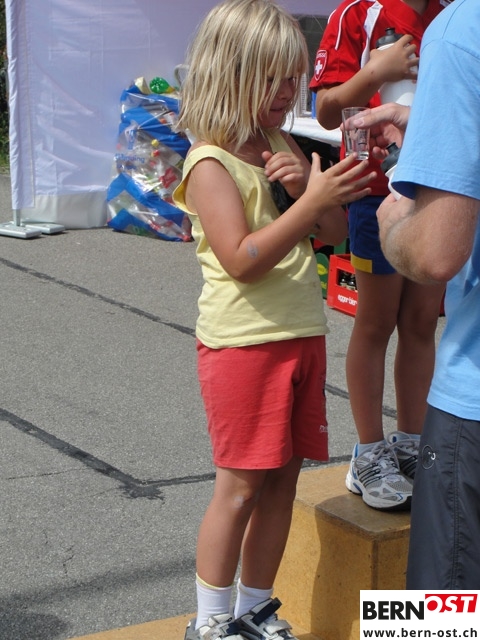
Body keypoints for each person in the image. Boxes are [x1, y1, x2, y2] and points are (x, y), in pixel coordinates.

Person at [172, 1, 375, 638]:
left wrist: (305, 194)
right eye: (273, 78)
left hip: (300, 336)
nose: (289, 91)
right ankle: (210, 620)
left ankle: (254, 606)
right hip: (244, 346)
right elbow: (241, 260)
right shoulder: (209, 161)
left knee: (283, 482)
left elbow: (333, 230)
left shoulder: (280, 143)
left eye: (293, 77)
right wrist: (306, 204)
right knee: (239, 488)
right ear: (229, 73)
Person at [353, 0, 480, 588]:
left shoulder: (462, 27)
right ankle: (378, 447)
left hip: (472, 404)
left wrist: (393, 225)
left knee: (435, 620)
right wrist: (430, 130)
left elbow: (434, 255)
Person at [309, 0, 447, 512]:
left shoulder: (450, 15)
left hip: (437, 190)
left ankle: (411, 442)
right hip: (374, 195)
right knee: (376, 322)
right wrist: (375, 72)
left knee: (421, 322)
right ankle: (368, 451)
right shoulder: (356, 14)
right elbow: (326, 110)